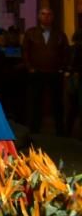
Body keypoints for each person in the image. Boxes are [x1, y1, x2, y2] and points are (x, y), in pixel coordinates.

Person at [22, 7, 70, 135]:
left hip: (55, 72)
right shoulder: (31, 33)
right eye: (43, 14)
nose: (46, 17)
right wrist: (30, 67)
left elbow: (66, 53)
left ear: (53, 17)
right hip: (36, 72)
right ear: (39, 16)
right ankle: (34, 130)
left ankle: (60, 131)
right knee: (35, 102)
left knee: (57, 103)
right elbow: (25, 51)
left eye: (49, 14)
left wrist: (63, 69)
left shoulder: (60, 34)